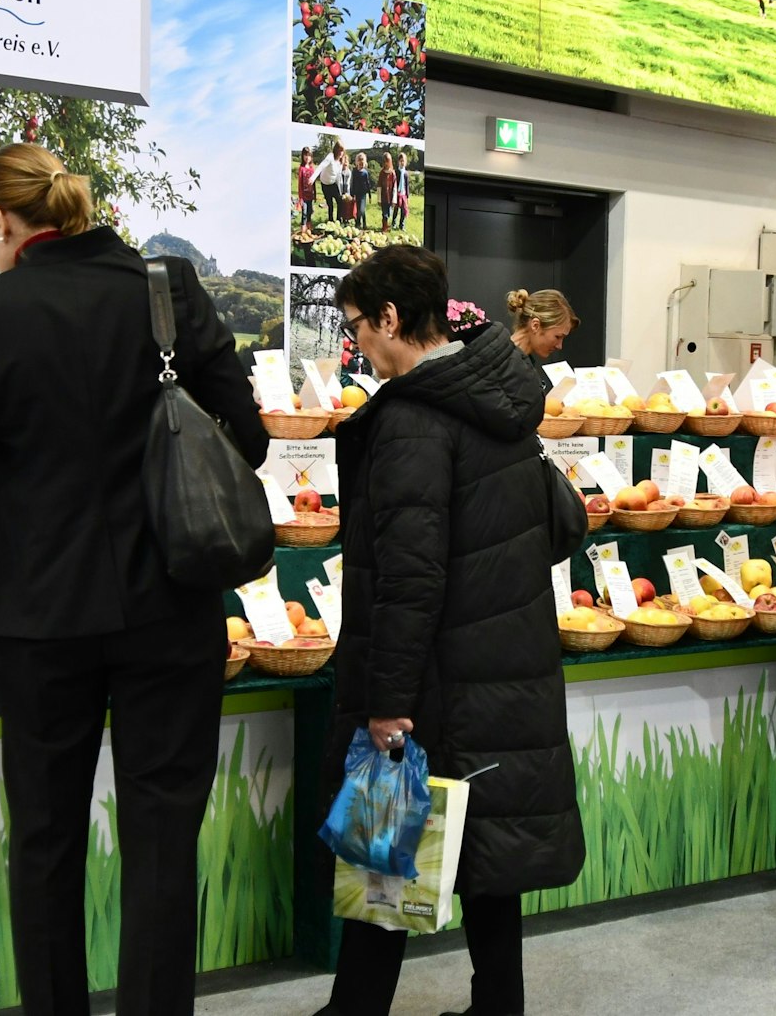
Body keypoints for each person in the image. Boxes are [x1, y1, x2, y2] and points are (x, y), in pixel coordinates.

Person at [0, 143, 270, 1016]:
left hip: (37, 618)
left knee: (44, 841)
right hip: (173, 608)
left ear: (1, 222)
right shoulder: (170, 291)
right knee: (162, 835)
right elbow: (250, 440)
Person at [321, 246, 584, 1014]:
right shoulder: (495, 395)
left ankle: (353, 1008)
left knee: (385, 837)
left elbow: (409, 578)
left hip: (437, 672)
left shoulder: (409, 421)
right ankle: (498, 1003)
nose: (358, 345)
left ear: (393, 319)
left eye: (358, 327)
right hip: (503, 660)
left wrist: (387, 699)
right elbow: (554, 522)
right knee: (487, 849)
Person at [506, 287, 577, 366]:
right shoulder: (513, 368)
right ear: (535, 326)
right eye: (557, 336)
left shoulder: (502, 356)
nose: (559, 346)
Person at [317, 142, 346, 224]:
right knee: (330, 204)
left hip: (333, 183)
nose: (341, 153)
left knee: (339, 201)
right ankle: (330, 220)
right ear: (336, 150)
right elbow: (321, 166)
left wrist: (340, 191)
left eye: (342, 151)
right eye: (339, 150)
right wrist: (312, 178)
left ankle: (338, 220)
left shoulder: (341, 161)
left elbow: (338, 175)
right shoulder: (330, 156)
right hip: (325, 184)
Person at [297, 148, 319, 235]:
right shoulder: (301, 169)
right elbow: (299, 184)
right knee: (304, 213)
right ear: (302, 156)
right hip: (304, 197)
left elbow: (314, 184)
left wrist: (315, 195)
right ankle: (303, 230)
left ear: (311, 157)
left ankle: (309, 230)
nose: (307, 157)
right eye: (305, 155)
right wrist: (300, 198)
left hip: (311, 196)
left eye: (309, 155)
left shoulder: (312, 169)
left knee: (310, 212)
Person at [349, 153, 372, 229]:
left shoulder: (365, 173)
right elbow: (352, 182)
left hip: (363, 194)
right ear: (356, 162)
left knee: (361, 210)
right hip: (356, 193)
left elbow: (368, 183)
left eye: (362, 160)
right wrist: (351, 194)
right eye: (359, 160)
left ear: (365, 162)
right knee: (357, 209)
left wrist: (369, 195)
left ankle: (362, 223)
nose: (361, 162)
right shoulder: (354, 172)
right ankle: (358, 223)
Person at [392, 149, 412, 231]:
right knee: (396, 209)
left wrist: (407, 196)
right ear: (398, 162)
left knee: (404, 210)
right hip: (397, 193)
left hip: (403, 193)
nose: (402, 163)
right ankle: (393, 222)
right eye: (401, 161)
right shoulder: (396, 172)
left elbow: (407, 185)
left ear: (405, 162)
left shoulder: (406, 173)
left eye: (403, 161)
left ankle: (402, 225)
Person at [377, 153, 397, 232]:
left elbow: (395, 187)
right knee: (384, 213)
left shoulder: (392, 173)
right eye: (385, 161)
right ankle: (384, 226)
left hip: (390, 197)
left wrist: (394, 200)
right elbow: (379, 186)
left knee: (389, 213)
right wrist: (379, 199)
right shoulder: (382, 173)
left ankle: (386, 224)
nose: (386, 163)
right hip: (383, 197)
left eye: (388, 161)